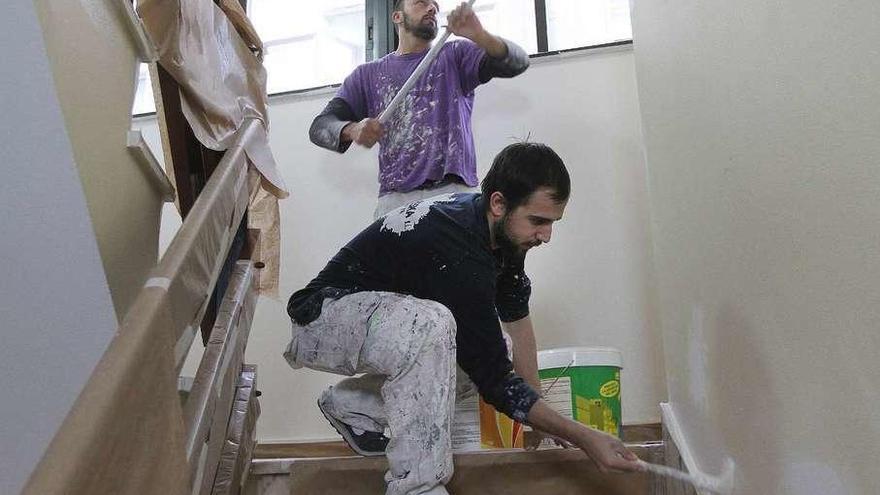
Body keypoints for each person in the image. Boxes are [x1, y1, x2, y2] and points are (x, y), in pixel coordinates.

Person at [284, 143, 643, 495]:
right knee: (434, 325)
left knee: (492, 343)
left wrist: (550, 427)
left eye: (552, 223)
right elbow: (497, 382)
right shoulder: (456, 243)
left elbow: (517, 327)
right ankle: (417, 486)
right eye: (538, 221)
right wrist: (582, 435)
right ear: (499, 203)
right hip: (322, 317)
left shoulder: (503, 240)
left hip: (373, 320)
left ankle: (354, 406)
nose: (546, 235)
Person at [309, 0, 530, 218]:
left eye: (435, 5)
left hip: (453, 196)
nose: (432, 8)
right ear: (397, 16)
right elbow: (320, 127)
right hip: (394, 203)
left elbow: (518, 62)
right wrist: (353, 129)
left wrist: (479, 35)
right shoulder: (367, 75)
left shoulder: (454, 55)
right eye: (421, 2)